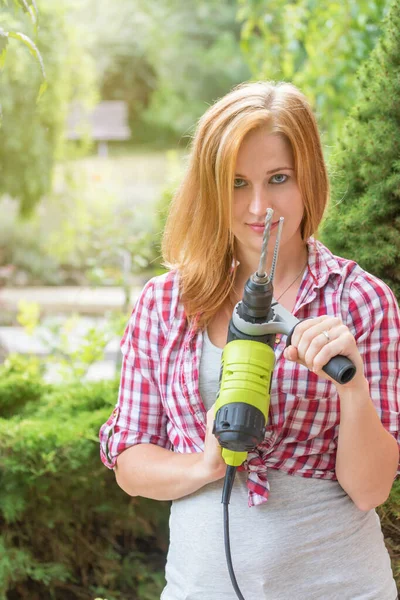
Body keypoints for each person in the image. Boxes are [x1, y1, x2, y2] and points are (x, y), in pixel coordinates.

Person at [99, 81, 400, 599]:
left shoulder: (361, 301)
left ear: (309, 180)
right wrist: (206, 462)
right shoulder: (166, 303)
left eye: (278, 178)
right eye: (237, 183)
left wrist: (353, 388)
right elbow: (130, 461)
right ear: (211, 187)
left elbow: (370, 488)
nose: (259, 206)